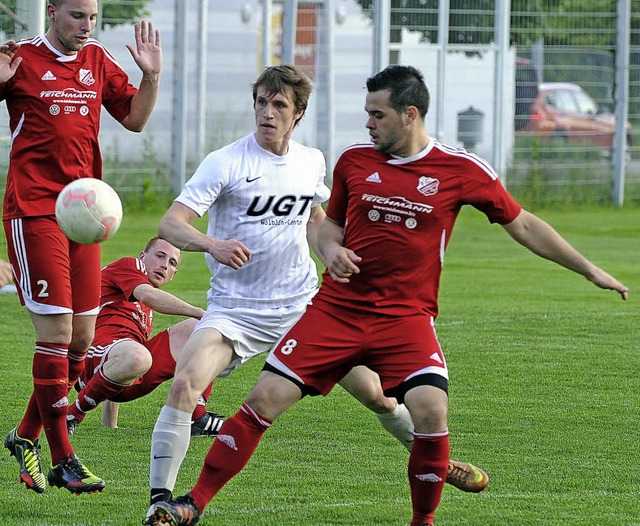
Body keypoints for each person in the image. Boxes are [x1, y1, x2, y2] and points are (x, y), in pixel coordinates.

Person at [148, 64, 628, 526]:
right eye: (260, 102)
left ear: (409, 114)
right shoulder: (349, 161)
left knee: (404, 403)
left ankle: (429, 495)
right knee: (239, 394)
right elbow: (327, 226)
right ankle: (179, 503)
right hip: (314, 310)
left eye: (377, 114)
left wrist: (587, 269)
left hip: (375, 312)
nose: (368, 122)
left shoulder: (448, 168)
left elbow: (521, 222)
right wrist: (327, 249)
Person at [0, 0, 162, 495]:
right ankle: (62, 458)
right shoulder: (20, 57)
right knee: (58, 332)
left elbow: (134, 119)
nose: (86, 27)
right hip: (34, 211)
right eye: (77, 17)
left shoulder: (97, 61)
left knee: (79, 342)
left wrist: (151, 77)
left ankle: (23, 435)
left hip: (85, 218)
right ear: (51, 11)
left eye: (92, 17)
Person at [65, 237, 223, 438]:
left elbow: (125, 361)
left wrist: (110, 426)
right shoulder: (129, 266)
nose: (164, 265)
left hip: (127, 370)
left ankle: (197, 417)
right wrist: (199, 312)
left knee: (203, 331)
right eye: (160, 256)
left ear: (173, 275)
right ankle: (74, 413)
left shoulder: (145, 310)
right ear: (143, 256)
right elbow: (148, 296)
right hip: (92, 364)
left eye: (172, 263)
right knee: (140, 354)